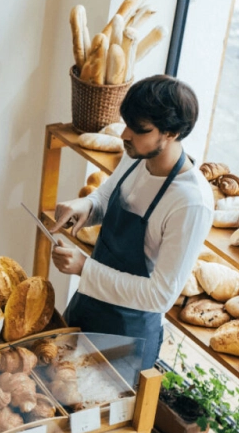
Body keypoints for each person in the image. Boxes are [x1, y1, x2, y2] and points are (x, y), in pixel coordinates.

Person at [50, 75, 214, 370]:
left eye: (139, 129)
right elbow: (107, 197)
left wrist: (84, 267)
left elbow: (160, 296)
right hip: (86, 307)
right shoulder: (137, 153)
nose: (125, 134)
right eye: (127, 123)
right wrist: (86, 206)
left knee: (93, 415)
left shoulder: (191, 203)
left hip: (127, 340)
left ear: (171, 133)